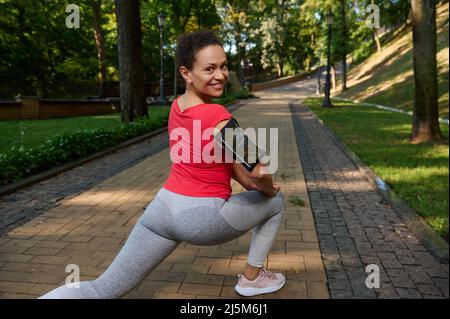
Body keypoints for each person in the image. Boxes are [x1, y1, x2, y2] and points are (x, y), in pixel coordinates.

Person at [39, 30, 286, 299]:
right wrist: (270, 190)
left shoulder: (177, 106)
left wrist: (254, 184)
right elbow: (258, 169)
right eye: (209, 69)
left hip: (162, 210)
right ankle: (252, 279)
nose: (221, 75)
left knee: (104, 288)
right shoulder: (218, 114)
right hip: (201, 217)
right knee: (276, 203)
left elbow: (239, 172)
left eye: (223, 66)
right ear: (186, 73)